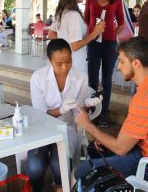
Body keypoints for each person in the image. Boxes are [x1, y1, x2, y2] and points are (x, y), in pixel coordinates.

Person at [75, 37, 148, 184]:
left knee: (82, 170)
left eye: (121, 61)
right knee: (95, 149)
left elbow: (121, 149)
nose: (118, 66)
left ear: (136, 63)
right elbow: (133, 130)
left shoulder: (145, 97)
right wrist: (106, 138)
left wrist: (88, 125)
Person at [28, 39, 102, 192]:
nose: (65, 67)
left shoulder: (80, 77)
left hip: (67, 126)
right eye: (59, 64)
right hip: (42, 127)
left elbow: (78, 113)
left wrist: (86, 105)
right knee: (35, 166)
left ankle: (59, 186)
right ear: (49, 61)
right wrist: (60, 110)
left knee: (59, 165)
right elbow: (39, 112)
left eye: (68, 61)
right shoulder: (38, 77)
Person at [85, 0, 125, 128]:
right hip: (93, 43)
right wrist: (92, 35)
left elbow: (121, 23)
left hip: (109, 44)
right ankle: (92, 110)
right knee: (92, 78)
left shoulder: (116, 1)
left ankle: (103, 114)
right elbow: (87, 20)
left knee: (106, 79)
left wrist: (110, 34)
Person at [49, 0, 105, 73]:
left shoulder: (61, 12)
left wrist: (67, 38)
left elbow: (51, 35)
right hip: (75, 63)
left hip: (67, 61)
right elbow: (75, 46)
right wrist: (95, 32)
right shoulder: (73, 15)